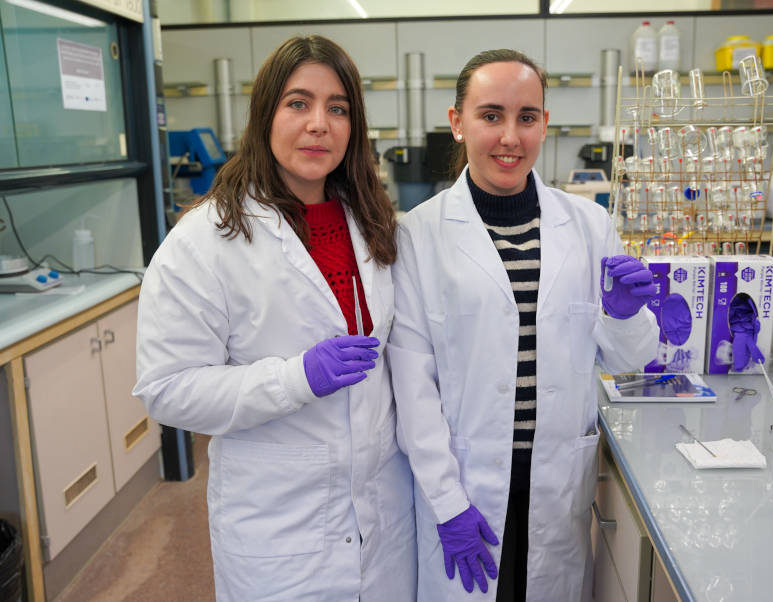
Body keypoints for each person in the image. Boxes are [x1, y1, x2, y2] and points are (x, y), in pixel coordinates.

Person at [134, 36, 416, 601]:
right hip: (279, 525)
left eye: (338, 108)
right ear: (266, 113)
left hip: (384, 514)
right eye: (298, 103)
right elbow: (167, 390)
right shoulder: (205, 239)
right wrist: (293, 379)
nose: (319, 124)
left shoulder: (376, 222)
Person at [386, 49, 659, 601]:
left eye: (526, 117)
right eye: (491, 116)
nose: (510, 136)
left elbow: (627, 361)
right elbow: (413, 388)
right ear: (457, 123)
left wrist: (627, 316)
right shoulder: (417, 235)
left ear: (544, 126)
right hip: (466, 477)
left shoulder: (588, 224)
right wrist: (446, 502)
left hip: (555, 476)